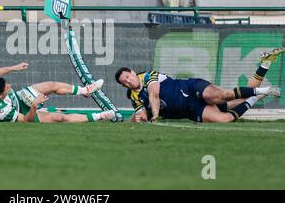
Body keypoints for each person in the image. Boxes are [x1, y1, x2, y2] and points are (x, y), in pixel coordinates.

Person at [115, 48, 283, 123]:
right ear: (124, 86)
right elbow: (140, 116)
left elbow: (154, 94)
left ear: (132, 71)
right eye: (124, 82)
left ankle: (265, 90)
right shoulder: (134, 97)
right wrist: (135, 120)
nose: (128, 81)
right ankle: (265, 68)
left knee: (221, 95)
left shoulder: (148, 75)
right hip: (191, 110)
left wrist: (156, 115)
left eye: (128, 77)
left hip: (191, 89)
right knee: (224, 119)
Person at [0, 62, 116, 123]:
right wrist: (34, 105)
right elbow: (25, 120)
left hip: (19, 99)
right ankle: (100, 116)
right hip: (20, 114)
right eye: (7, 88)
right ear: (0, 96)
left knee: (51, 85)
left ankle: (85, 90)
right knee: (60, 118)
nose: (9, 86)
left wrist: (14, 68)